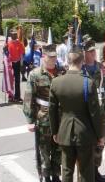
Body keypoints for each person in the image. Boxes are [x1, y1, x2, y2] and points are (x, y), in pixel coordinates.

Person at [49, 45, 103, 182]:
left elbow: (52, 111)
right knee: (86, 170)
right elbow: (95, 113)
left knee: (66, 169)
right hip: (84, 133)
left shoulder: (56, 82)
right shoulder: (88, 83)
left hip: (64, 131)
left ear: (68, 61)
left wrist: (55, 131)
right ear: (82, 61)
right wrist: (100, 135)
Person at [24, 44, 62, 182]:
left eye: (54, 57)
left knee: (58, 149)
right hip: (43, 117)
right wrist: (30, 120)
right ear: (43, 57)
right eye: (50, 57)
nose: (53, 59)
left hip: (60, 117)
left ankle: (56, 175)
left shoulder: (62, 72)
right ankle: (46, 176)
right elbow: (29, 98)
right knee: (44, 151)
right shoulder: (35, 74)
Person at [82, 37, 105, 182]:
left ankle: (96, 171)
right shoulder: (79, 69)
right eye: (90, 52)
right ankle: (87, 174)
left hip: (102, 113)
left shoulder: (101, 68)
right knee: (87, 146)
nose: (93, 54)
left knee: (100, 144)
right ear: (83, 53)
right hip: (86, 114)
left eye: (93, 52)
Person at [7, 29, 25, 103]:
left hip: (17, 63)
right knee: (10, 80)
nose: (14, 36)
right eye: (12, 35)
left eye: (15, 34)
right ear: (10, 36)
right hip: (10, 64)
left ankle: (17, 96)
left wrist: (21, 64)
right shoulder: (8, 43)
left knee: (17, 80)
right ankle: (10, 96)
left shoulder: (20, 43)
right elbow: (5, 53)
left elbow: (21, 55)